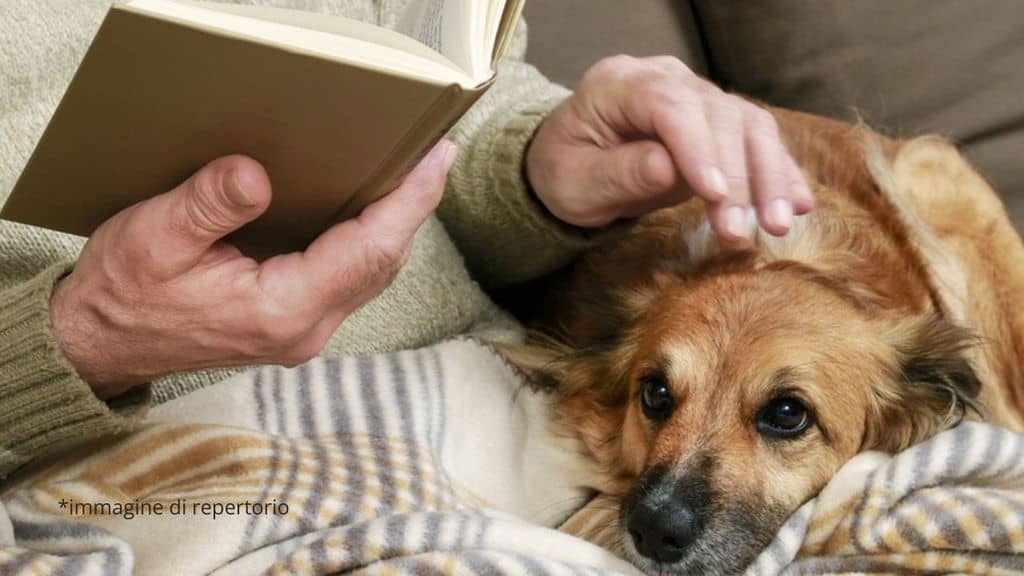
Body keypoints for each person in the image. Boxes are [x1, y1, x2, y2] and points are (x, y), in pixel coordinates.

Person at [0, 0, 811, 479]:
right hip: (151, 471)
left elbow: (443, 103)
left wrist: (537, 172)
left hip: (510, 404)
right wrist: (87, 338)